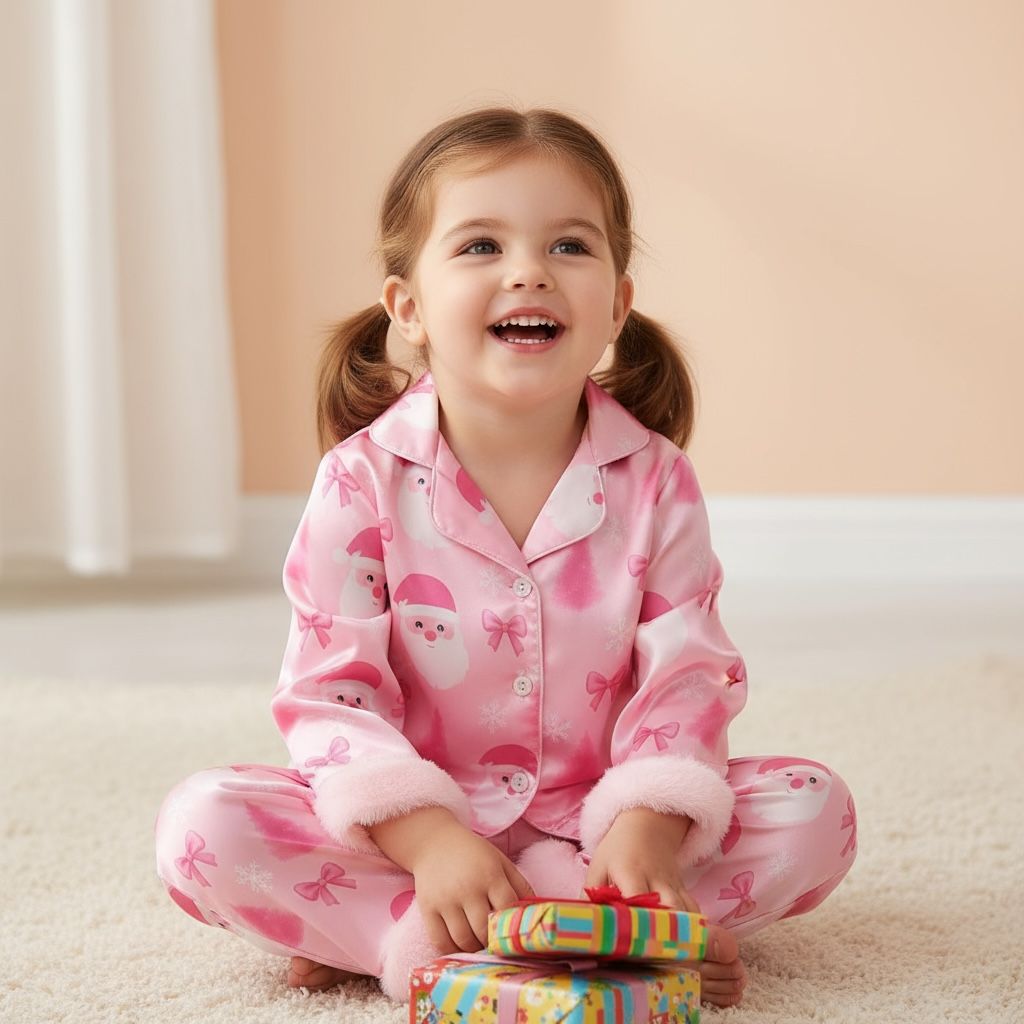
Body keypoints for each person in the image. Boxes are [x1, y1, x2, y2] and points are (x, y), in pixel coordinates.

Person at [154, 105, 858, 1010]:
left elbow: (688, 679)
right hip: (407, 831)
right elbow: (332, 695)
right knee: (202, 824)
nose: (529, 270)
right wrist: (430, 840)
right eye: (481, 246)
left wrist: (643, 830)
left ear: (617, 304)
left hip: (602, 825)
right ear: (408, 308)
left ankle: (590, 914)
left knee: (814, 810)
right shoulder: (359, 481)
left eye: (570, 246)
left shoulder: (655, 481)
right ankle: (417, 935)